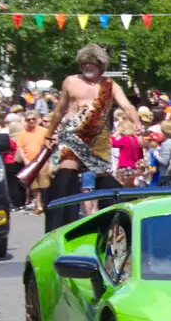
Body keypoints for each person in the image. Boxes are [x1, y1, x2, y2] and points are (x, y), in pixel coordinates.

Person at [41, 44, 138, 230]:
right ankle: (58, 225)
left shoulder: (110, 85)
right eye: (84, 63)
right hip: (73, 134)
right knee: (65, 174)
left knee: (104, 178)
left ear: (101, 65)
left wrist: (136, 122)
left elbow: (127, 106)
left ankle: (112, 225)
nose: (87, 67)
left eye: (91, 63)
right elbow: (59, 110)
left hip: (98, 138)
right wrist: (48, 134)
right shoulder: (70, 81)